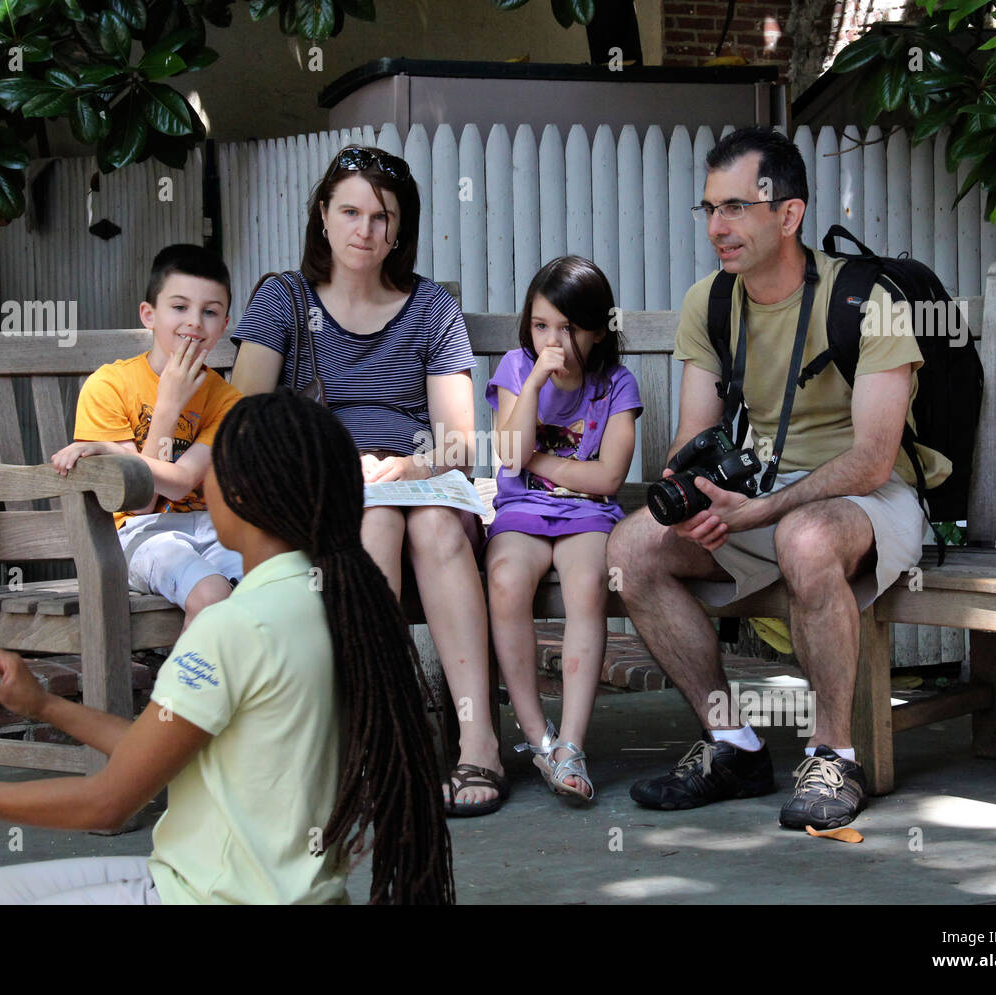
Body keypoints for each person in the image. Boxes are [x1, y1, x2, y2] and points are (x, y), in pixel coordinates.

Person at [0, 392, 455, 905]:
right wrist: (43, 705)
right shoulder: (338, 606)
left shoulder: (233, 625)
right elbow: (161, 749)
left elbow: (108, 803)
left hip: (213, 897)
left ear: (242, 496)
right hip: (274, 891)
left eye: (211, 471)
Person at [607, 126, 950, 830]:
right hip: (759, 496)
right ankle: (732, 741)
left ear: (787, 214)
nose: (716, 227)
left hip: (868, 499)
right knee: (631, 549)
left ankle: (834, 754)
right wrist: (696, 499)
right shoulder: (711, 301)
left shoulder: (864, 301)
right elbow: (692, 438)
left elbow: (874, 458)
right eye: (708, 209)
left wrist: (759, 512)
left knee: (804, 536)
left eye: (734, 207)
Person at [230, 146, 506, 817]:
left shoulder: (430, 306)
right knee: (374, 521)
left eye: (382, 216)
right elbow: (246, 425)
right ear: (322, 216)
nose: (366, 229)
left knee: (437, 524)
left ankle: (480, 743)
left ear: (400, 228)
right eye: (350, 211)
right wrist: (329, 463)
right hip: (323, 484)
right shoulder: (283, 299)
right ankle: (379, 740)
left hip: (420, 478)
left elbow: (459, 442)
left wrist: (409, 465)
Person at [485, 257, 641, 803]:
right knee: (504, 581)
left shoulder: (615, 384)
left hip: (588, 518)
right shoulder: (513, 369)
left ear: (598, 330)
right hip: (521, 515)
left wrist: (540, 465)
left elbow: (607, 478)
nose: (554, 340)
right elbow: (508, 453)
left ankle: (572, 742)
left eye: (570, 328)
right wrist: (532, 383)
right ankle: (537, 738)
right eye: (541, 325)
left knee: (587, 586)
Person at [50, 244, 244, 631]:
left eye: (209, 312)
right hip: (136, 537)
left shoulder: (227, 400)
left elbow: (184, 480)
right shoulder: (109, 386)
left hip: (211, 529)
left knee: (279, 590)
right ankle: (179, 693)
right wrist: (169, 404)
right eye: (179, 307)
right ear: (148, 315)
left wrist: (111, 449)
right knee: (211, 595)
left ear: (223, 326)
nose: (194, 322)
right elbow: (140, 503)